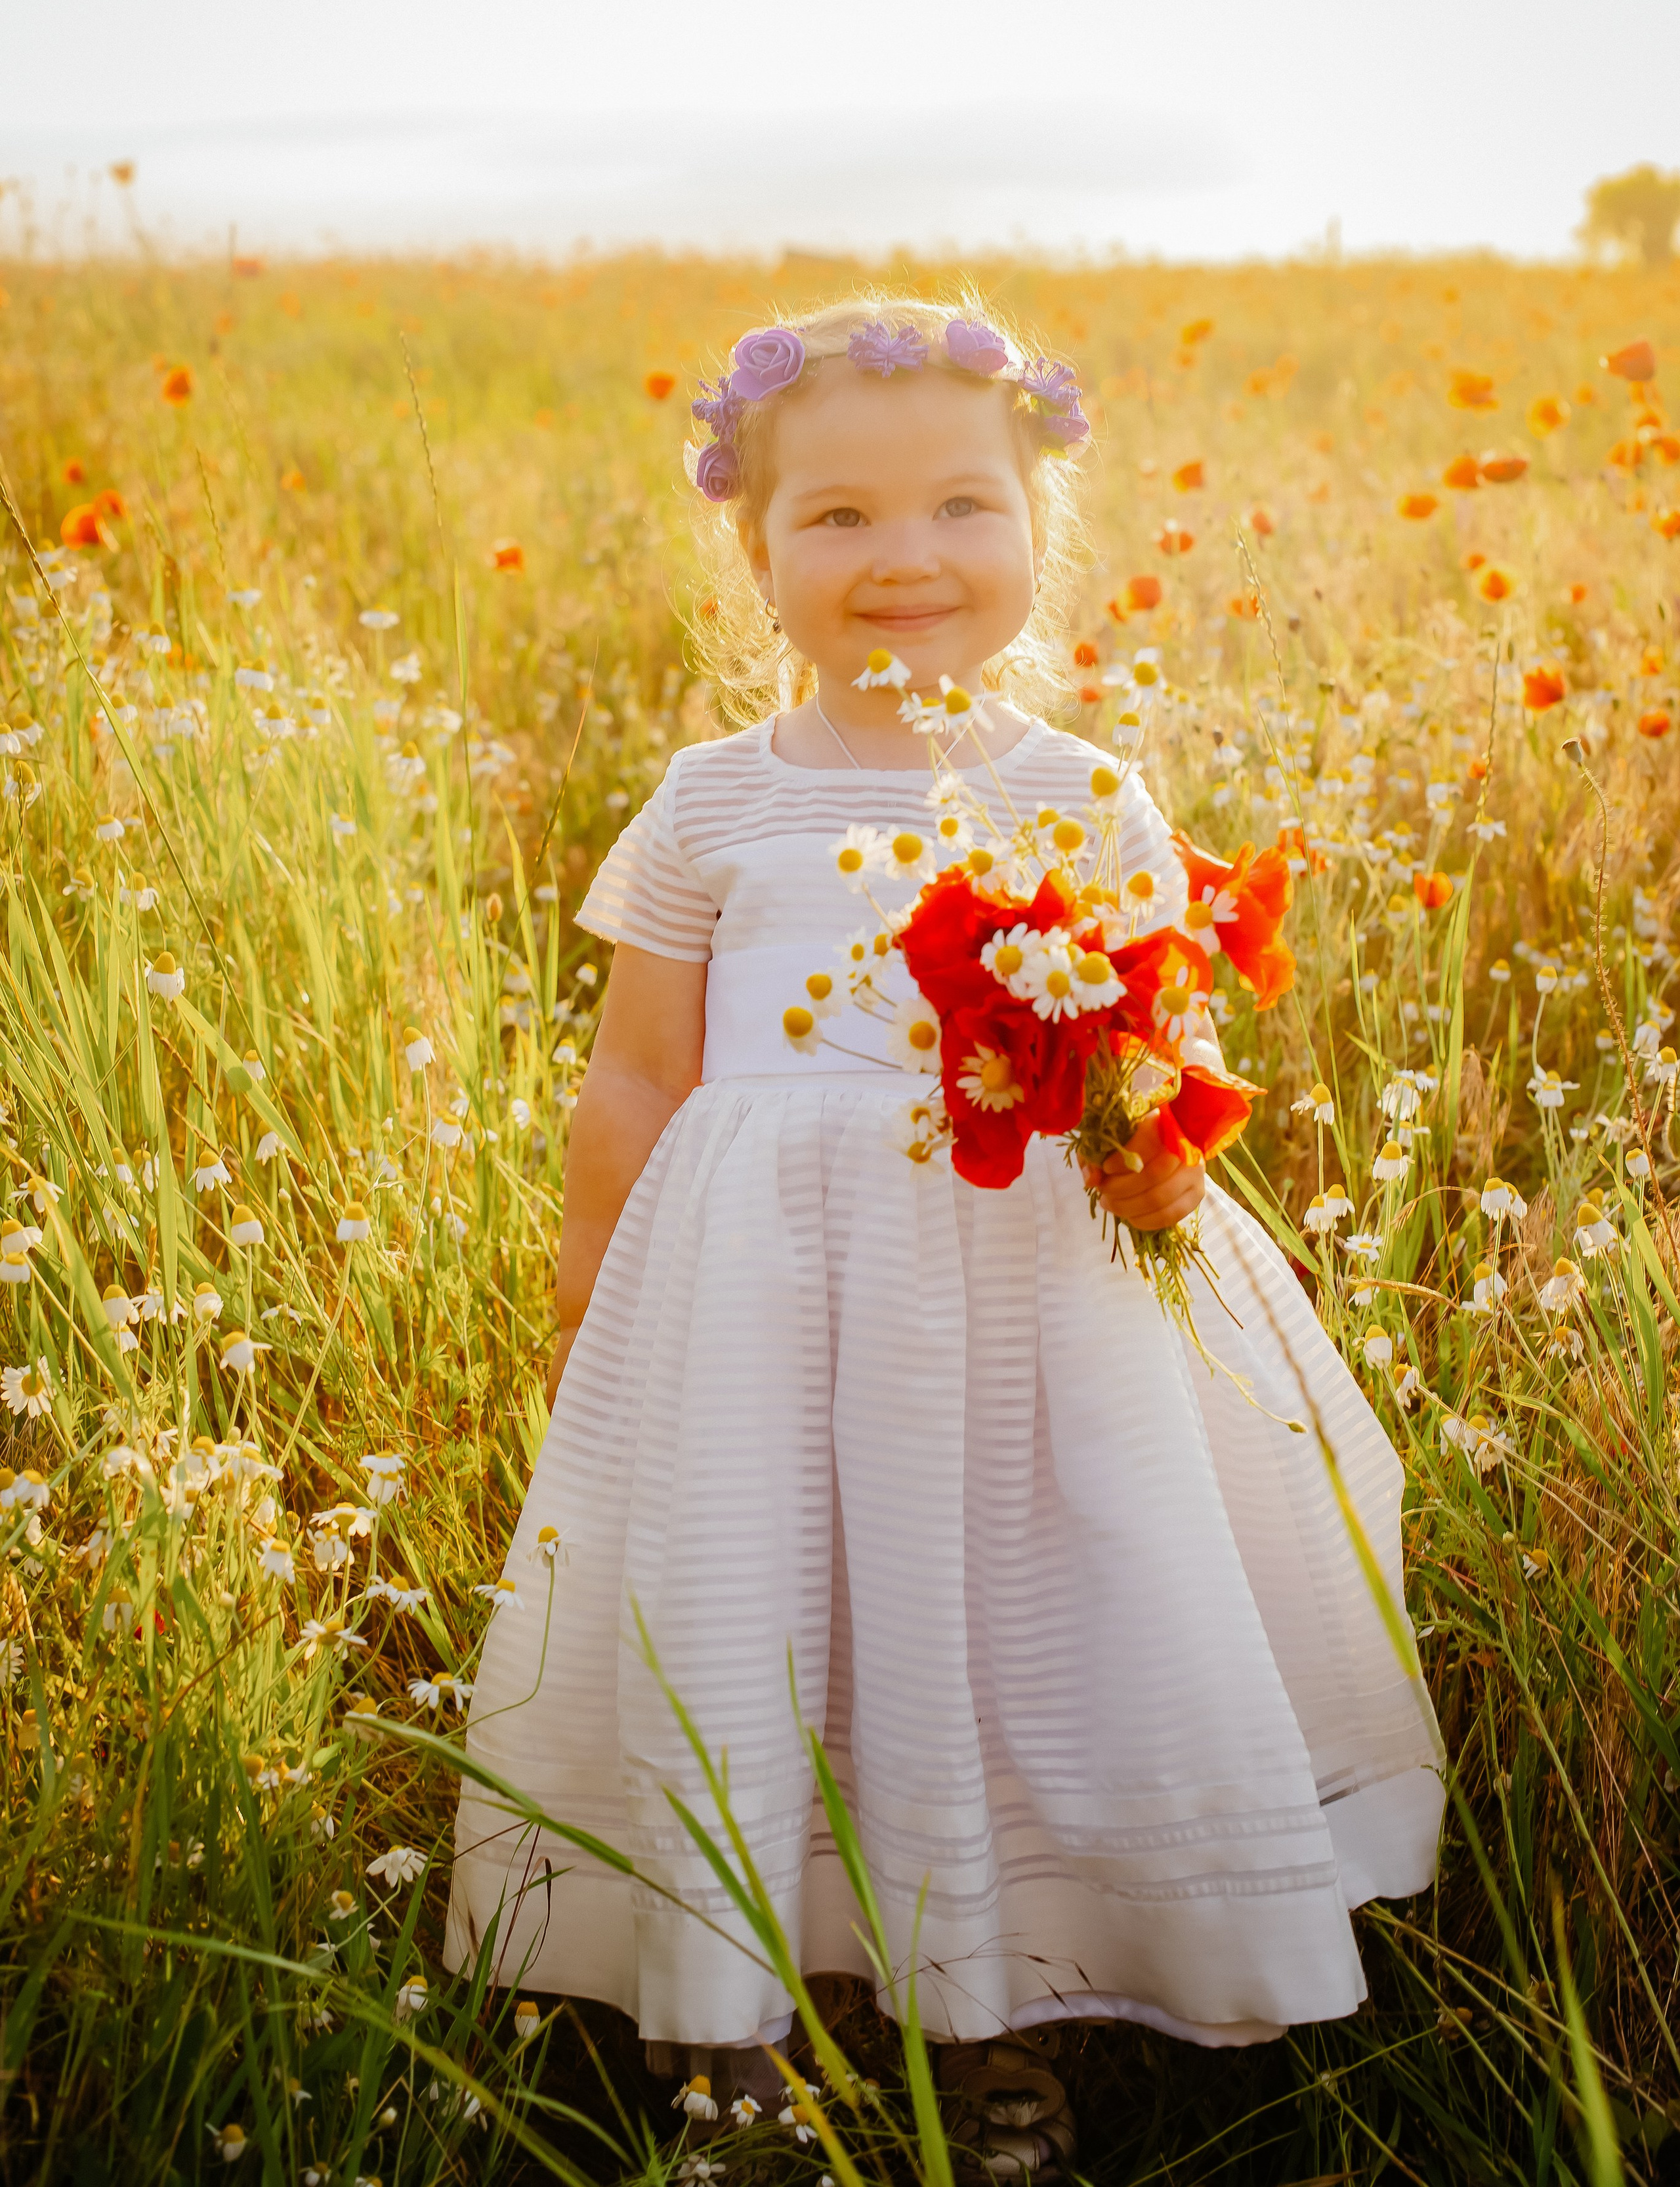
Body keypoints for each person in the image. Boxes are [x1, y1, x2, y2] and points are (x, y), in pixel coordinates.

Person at [444, 294, 1443, 2172]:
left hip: (1026, 1306)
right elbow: (634, 1075)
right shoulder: (711, 802)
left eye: (961, 508)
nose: (904, 557)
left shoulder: (1081, 792)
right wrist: (592, 1291)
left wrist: (1167, 1158)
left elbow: (1173, 1051)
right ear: (754, 549)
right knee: (762, 1619)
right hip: (761, 1309)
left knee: (1015, 1625)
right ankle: (729, 2028)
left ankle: (991, 2003)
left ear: (1038, 533)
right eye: (836, 518)